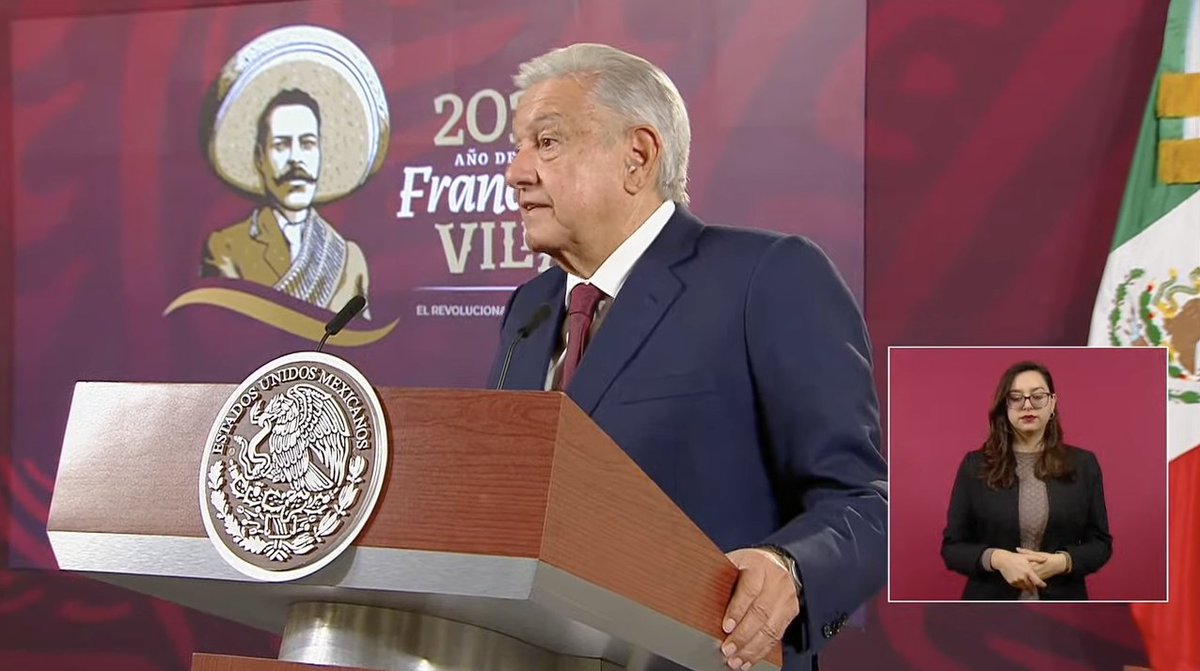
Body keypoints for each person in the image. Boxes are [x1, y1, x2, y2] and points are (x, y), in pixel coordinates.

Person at [486, 43, 887, 670]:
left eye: (547, 142)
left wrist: (791, 568)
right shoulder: (529, 311)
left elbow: (864, 503)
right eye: (517, 147)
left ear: (638, 156)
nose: (516, 172)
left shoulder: (766, 277)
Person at [941, 361, 1113, 600]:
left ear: (1052, 403)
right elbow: (953, 548)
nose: (1027, 405)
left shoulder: (1083, 464)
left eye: (1038, 396)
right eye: (1016, 398)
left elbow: (1101, 544)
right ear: (1005, 407)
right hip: (990, 605)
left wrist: (1063, 562)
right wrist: (997, 559)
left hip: (1063, 605)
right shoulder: (975, 465)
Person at [201, 88, 370, 316]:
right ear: (260, 158)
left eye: (307, 144)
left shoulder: (348, 258)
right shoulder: (227, 248)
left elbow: (359, 336)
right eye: (281, 145)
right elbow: (226, 332)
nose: (296, 159)